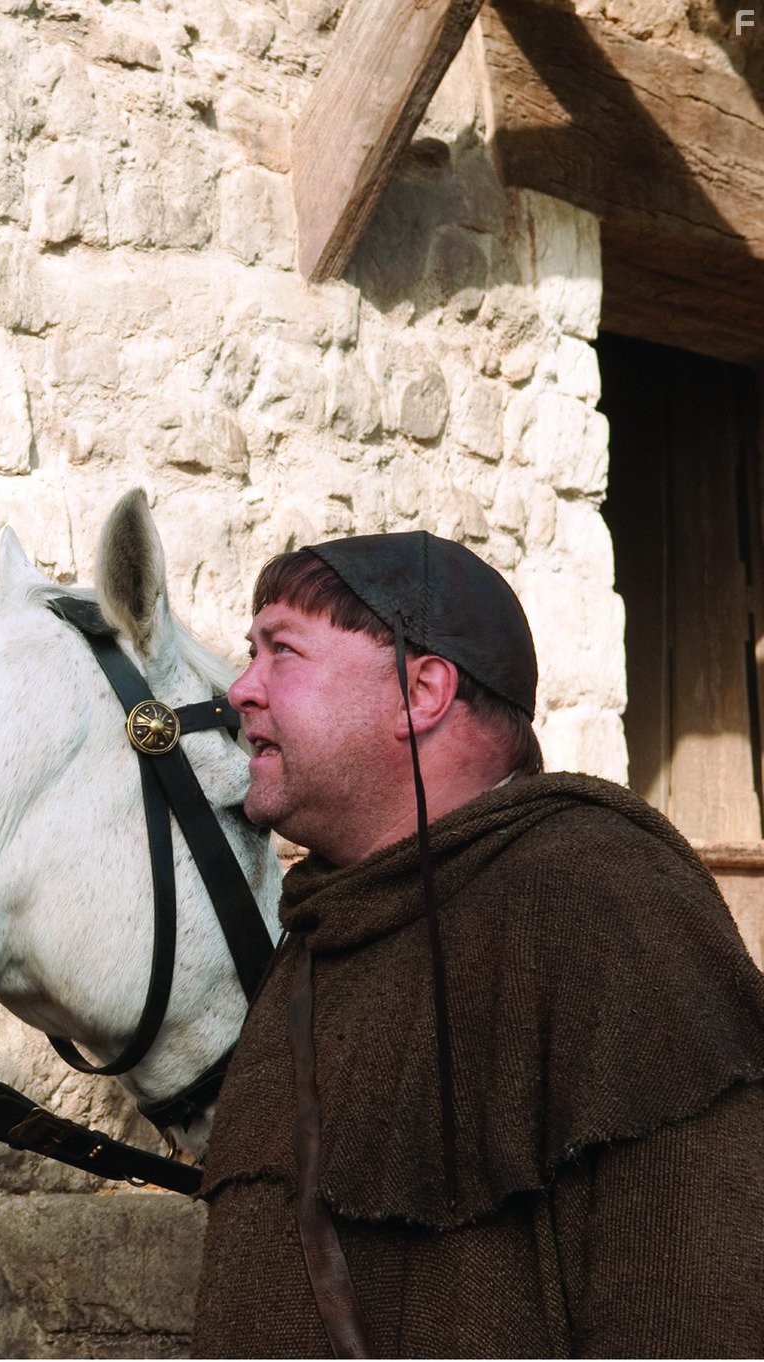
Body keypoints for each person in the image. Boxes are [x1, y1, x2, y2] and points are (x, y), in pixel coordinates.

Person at [193, 531, 764, 1356]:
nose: (241, 688)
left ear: (422, 690)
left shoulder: (600, 900)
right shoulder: (319, 937)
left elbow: (698, 1303)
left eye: (282, 650)